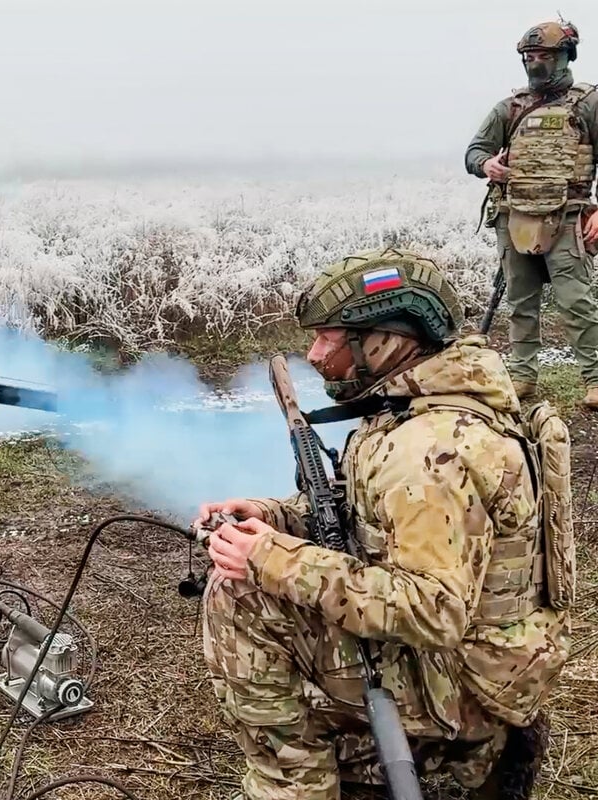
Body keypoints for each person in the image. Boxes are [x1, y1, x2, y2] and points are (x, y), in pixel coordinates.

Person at [194, 248, 571, 800]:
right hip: (487, 660)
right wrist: (274, 517)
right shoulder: (425, 404)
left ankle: (294, 785)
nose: (314, 353)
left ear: (386, 340)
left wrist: (270, 559)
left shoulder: (429, 451)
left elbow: (432, 609)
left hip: (463, 684)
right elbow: (368, 520)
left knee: (241, 597)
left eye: (329, 338)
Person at [465, 18, 598, 411]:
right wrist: (487, 164)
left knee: (576, 302)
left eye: (544, 56)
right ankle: (522, 376)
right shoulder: (510, 107)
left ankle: (595, 378)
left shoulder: (588, 103)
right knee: (521, 303)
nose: (536, 63)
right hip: (514, 216)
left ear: (565, 57)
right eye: (530, 56)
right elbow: (474, 150)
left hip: (568, 215)